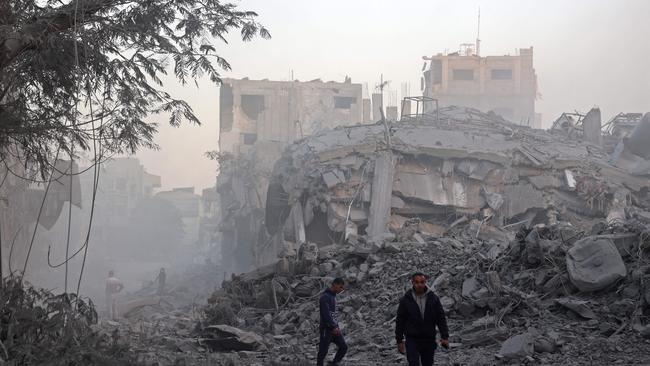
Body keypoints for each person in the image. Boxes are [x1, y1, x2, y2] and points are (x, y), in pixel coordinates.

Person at [395, 272, 449, 366]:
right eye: (417, 282)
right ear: (412, 283)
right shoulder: (406, 300)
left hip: (429, 339)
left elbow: (440, 318)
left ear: (425, 282)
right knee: (413, 363)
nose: (419, 284)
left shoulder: (433, 298)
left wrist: (445, 336)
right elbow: (400, 320)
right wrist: (399, 340)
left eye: (422, 282)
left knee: (428, 363)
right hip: (412, 339)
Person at [317, 277, 348, 366]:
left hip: (335, 328)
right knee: (323, 351)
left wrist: (336, 327)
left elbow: (333, 315)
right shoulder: (324, 297)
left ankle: (333, 364)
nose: (341, 289)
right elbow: (325, 314)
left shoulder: (333, 297)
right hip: (326, 329)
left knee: (343, 347)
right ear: (335, 284)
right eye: (340, 287)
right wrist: (333, 327)